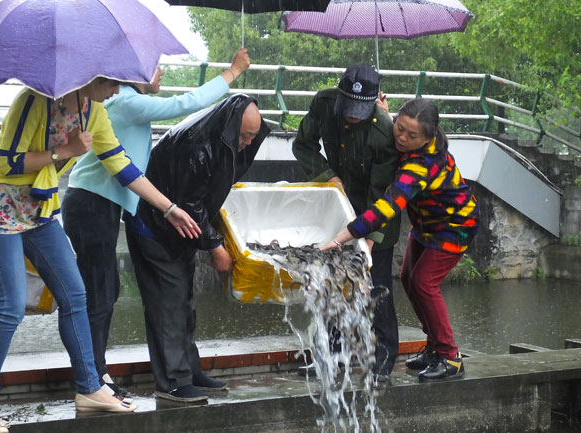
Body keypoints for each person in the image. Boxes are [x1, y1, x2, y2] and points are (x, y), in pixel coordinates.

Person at [0, 77, 192, 431]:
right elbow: (8, 161)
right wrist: (65, 152)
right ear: (92, 78)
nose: (115, 91)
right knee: (11, 306)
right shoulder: (34, 101)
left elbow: (121, 165)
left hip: (39, 207)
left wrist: (168, 208)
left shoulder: (93, 111)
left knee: (75, 294)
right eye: (113, 83)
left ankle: (90, 389)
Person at [61, 48, 250, 398]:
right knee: (100, 294)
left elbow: (128, 164)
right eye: (153, 67)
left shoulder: (124, 103)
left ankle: (98, 374)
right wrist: (232, 73)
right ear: (131, 74)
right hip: (91, 205)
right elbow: (183, 105)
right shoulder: (126, 102)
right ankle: (93, 378)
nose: (160, 73)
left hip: (103, 205)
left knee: (106, 291)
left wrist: (166, 207)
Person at [124, 94, 269, 403]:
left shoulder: (222, 136)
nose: (247, 142)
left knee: (184, 302)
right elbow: (189, 204)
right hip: (154, 226)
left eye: (253, 137)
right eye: (244, 136)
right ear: (231, 127)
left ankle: (189, 370)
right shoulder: (197, 147)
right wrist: (215, 246)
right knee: (167, 305)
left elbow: (207, 195)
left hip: (178, 226)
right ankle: (172, 383)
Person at [321, 98, 479, 381]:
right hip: (426, 225)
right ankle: (434, 347)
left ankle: (451, 356)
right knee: (408, 279)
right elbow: (401, 126)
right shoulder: (414, 139)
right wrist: (386, 113)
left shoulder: (421, 165)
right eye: (400, 128)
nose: (402, 137)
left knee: (423, 283)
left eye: (411, 134)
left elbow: (388, 206)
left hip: (454, 226)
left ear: (428, 137)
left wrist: (341, 237)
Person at [292, 65, 402, 381]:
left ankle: (382, 362)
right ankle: (330, 357)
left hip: (377, 215)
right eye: (348, 110)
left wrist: (367, 238)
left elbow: (383, 194)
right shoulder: (324, 103)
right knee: (331, 286)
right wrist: (328, 177)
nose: (352, 117)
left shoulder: (384, 132)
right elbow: (303, 145)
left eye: (359, 112)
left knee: (374, 289)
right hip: (335, 211)